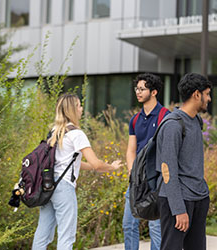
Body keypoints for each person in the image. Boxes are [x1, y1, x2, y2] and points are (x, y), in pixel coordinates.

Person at [32, 93, 121, 250]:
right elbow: (96, 164)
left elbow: (73, 163)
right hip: (64, 187)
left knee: (43, 232)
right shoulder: (76, 134)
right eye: (79, 105)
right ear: (72, 109)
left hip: (48, 185)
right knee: (66, 235)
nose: (81, 109)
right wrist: (111, 167)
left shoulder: (55, 131)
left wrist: (96, 166)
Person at [155, 73, 212, 250]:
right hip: (178, 199)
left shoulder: (196, 120)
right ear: (197, 94)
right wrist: (178, 209)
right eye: (207, 94)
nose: (209, 99)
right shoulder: (173, 124)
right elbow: (167, 170)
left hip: (198, 197)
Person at [124, 73, 169, 250]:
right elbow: (131, 150)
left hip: (157, 179)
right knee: (129, 224)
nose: (138, 92)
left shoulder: (165, 116)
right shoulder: (134, 119)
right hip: (137, 180)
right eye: (137, 88)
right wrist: (132, 172)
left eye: (142, 89)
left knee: (156, 227)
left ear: (154, 91)